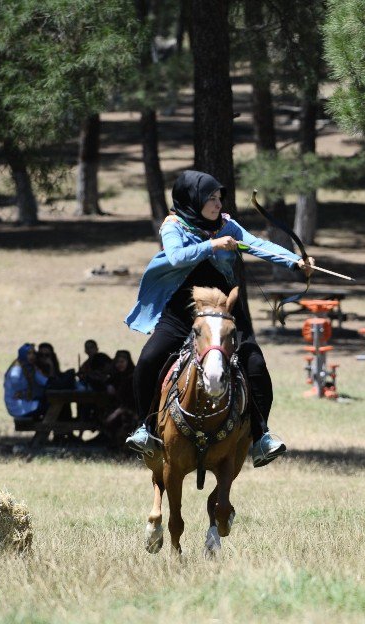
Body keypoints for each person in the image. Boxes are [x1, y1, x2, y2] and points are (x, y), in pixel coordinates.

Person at [124, 170, 314, 467]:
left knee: (255, 364)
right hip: (182, 312)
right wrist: (212, 245)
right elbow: (175, 257)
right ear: (193, 200)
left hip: (225, 311)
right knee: (149, 359)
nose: (216, 203)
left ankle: (261, 436)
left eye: (218, 197)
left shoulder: (227, 225)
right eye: (210, 198)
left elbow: (258, 245)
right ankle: (144, 428)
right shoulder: (173, 226)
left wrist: (296, 262)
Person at [4, 343, 48, 419]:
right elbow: (15, 380)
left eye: (34, 353)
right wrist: (23, 392)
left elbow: (45, 382)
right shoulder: (17, 367)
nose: (32, 356)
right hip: (18, 407)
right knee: (51, 407)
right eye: (29, 353)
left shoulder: (31, 368)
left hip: (27, 403)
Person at [103, 350, 138, 445]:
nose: (119, 365)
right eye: (117, 362)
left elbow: (132, 401)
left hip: (132, 411)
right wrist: (108, 385)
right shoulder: (116, 375)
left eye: (122, 362)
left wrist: (119, 411)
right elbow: (107, 381)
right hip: (118, 408)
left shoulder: (133, 377)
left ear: (127, 362)